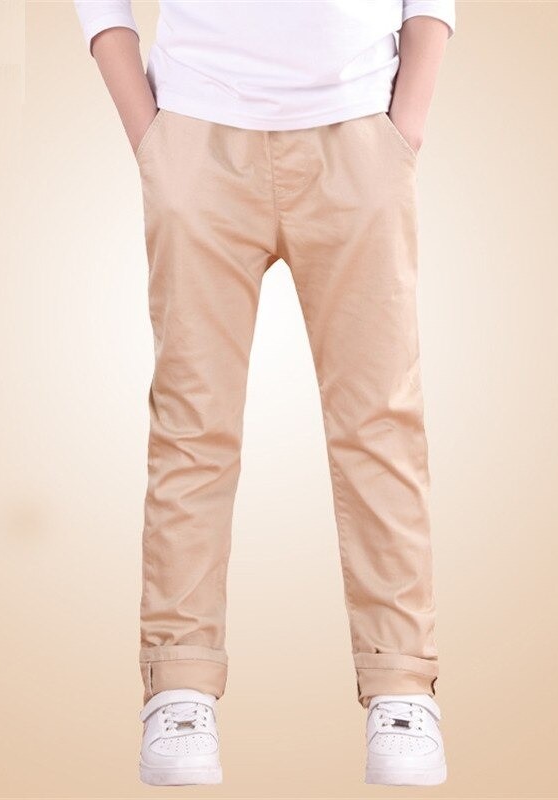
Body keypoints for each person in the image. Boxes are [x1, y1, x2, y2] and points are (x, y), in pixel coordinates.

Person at [73, 0, 455, 787]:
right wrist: (148, 133)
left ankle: (401, 684)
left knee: (381, 421)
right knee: (192, 424)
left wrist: (407, 121)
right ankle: (178, 681)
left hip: (358, 127)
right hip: (197, 128)